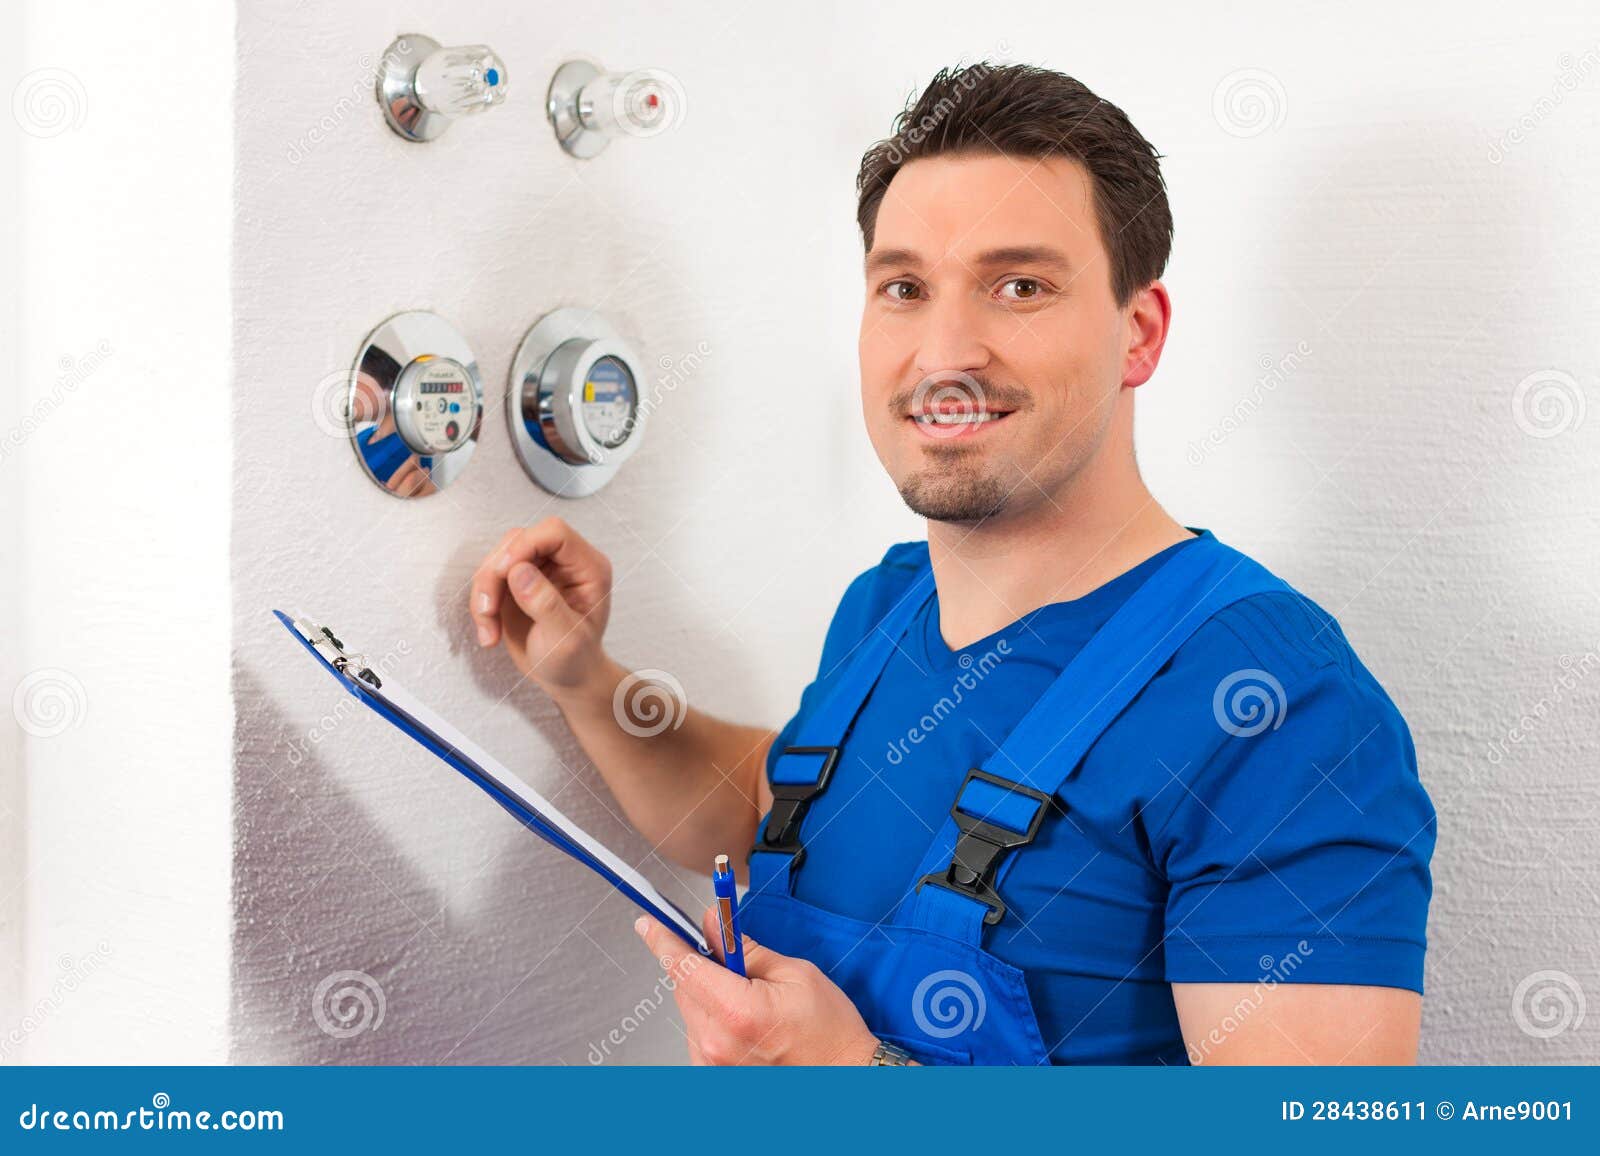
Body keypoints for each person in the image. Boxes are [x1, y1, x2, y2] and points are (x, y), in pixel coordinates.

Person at [468, 63, 1436, 1066]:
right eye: (904, 288)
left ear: (1136, 334)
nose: (942, 350)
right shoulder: (887, 608)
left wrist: (863, 1076)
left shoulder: (1275, 702)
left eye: (1018, 286)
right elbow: (776, 810)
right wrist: (589, 680)